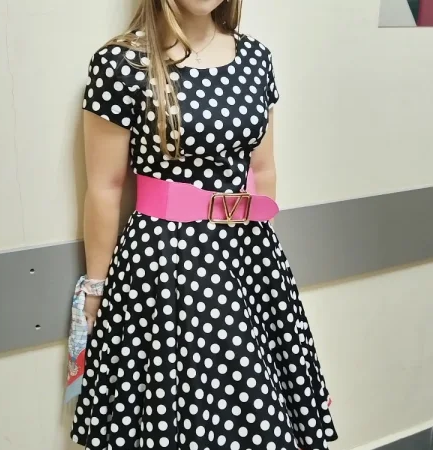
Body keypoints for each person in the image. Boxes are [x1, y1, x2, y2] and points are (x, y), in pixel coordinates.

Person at [71, 1, 338, 449]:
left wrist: (265, 261)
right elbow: (105, 187)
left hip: (248, 252)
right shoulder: (121, 64)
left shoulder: (256, 58)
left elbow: (263, 168)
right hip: (165, 261)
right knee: (183, 405)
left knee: (256, 404)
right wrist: (95, 289)